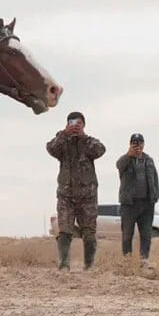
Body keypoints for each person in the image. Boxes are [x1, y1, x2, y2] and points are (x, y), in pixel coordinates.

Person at [46, 111, 105, 271]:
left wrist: (83, 137)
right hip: (66, 195)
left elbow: (101, 150)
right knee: (64, 230)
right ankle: (64, 264)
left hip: (88, 196)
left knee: (89, 232)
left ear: (83, 125)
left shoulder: (89, 142)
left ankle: (89, 265)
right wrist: (64, 135)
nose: (74, 127)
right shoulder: (62, 142)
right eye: (71, 123)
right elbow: (50, 148)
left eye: (78, 124)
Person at [115, 133, 159, 265]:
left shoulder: (149, 160)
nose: (137, 145)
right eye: (134, 142)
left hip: (147, 203)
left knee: (146, 234)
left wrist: (155, 196)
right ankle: (127, 260)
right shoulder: (125, 160)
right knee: (127, 233)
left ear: (143, 144)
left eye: (140, 143)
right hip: (129, 203)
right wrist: (129, 154)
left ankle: (144, 260)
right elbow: (118, 165)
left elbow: (155, 179)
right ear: (130, 144)